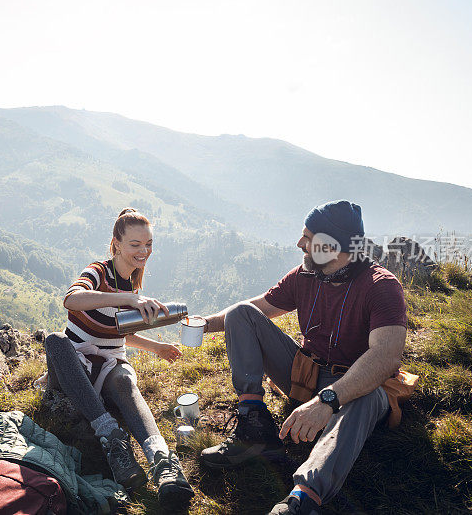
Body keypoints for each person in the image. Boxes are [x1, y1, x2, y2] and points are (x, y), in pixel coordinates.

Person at [199, 200, 408, 515]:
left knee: (371, 394)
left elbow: (386, 356)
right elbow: (256, 309)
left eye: (309, 238)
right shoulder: (306, 275)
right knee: (242, 313)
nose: (300, 244)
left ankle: (304, 499)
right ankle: (256, 429)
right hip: (307, 372)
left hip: (356, 385)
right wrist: (200, 324)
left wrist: (327, 400)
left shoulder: (381, 286)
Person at [44, 208, 195, 510]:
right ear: (116, 244)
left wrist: (158, 348)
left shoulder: (134, 286)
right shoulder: (98, 271)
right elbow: (71, 299)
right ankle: (113, 438)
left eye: (148, 244)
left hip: (109, 365)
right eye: (135, 244)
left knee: (125, 379)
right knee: (55, 341)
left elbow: (116, 332)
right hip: (75, 365)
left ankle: (163, 464)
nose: (143, 251)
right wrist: (127, 298)